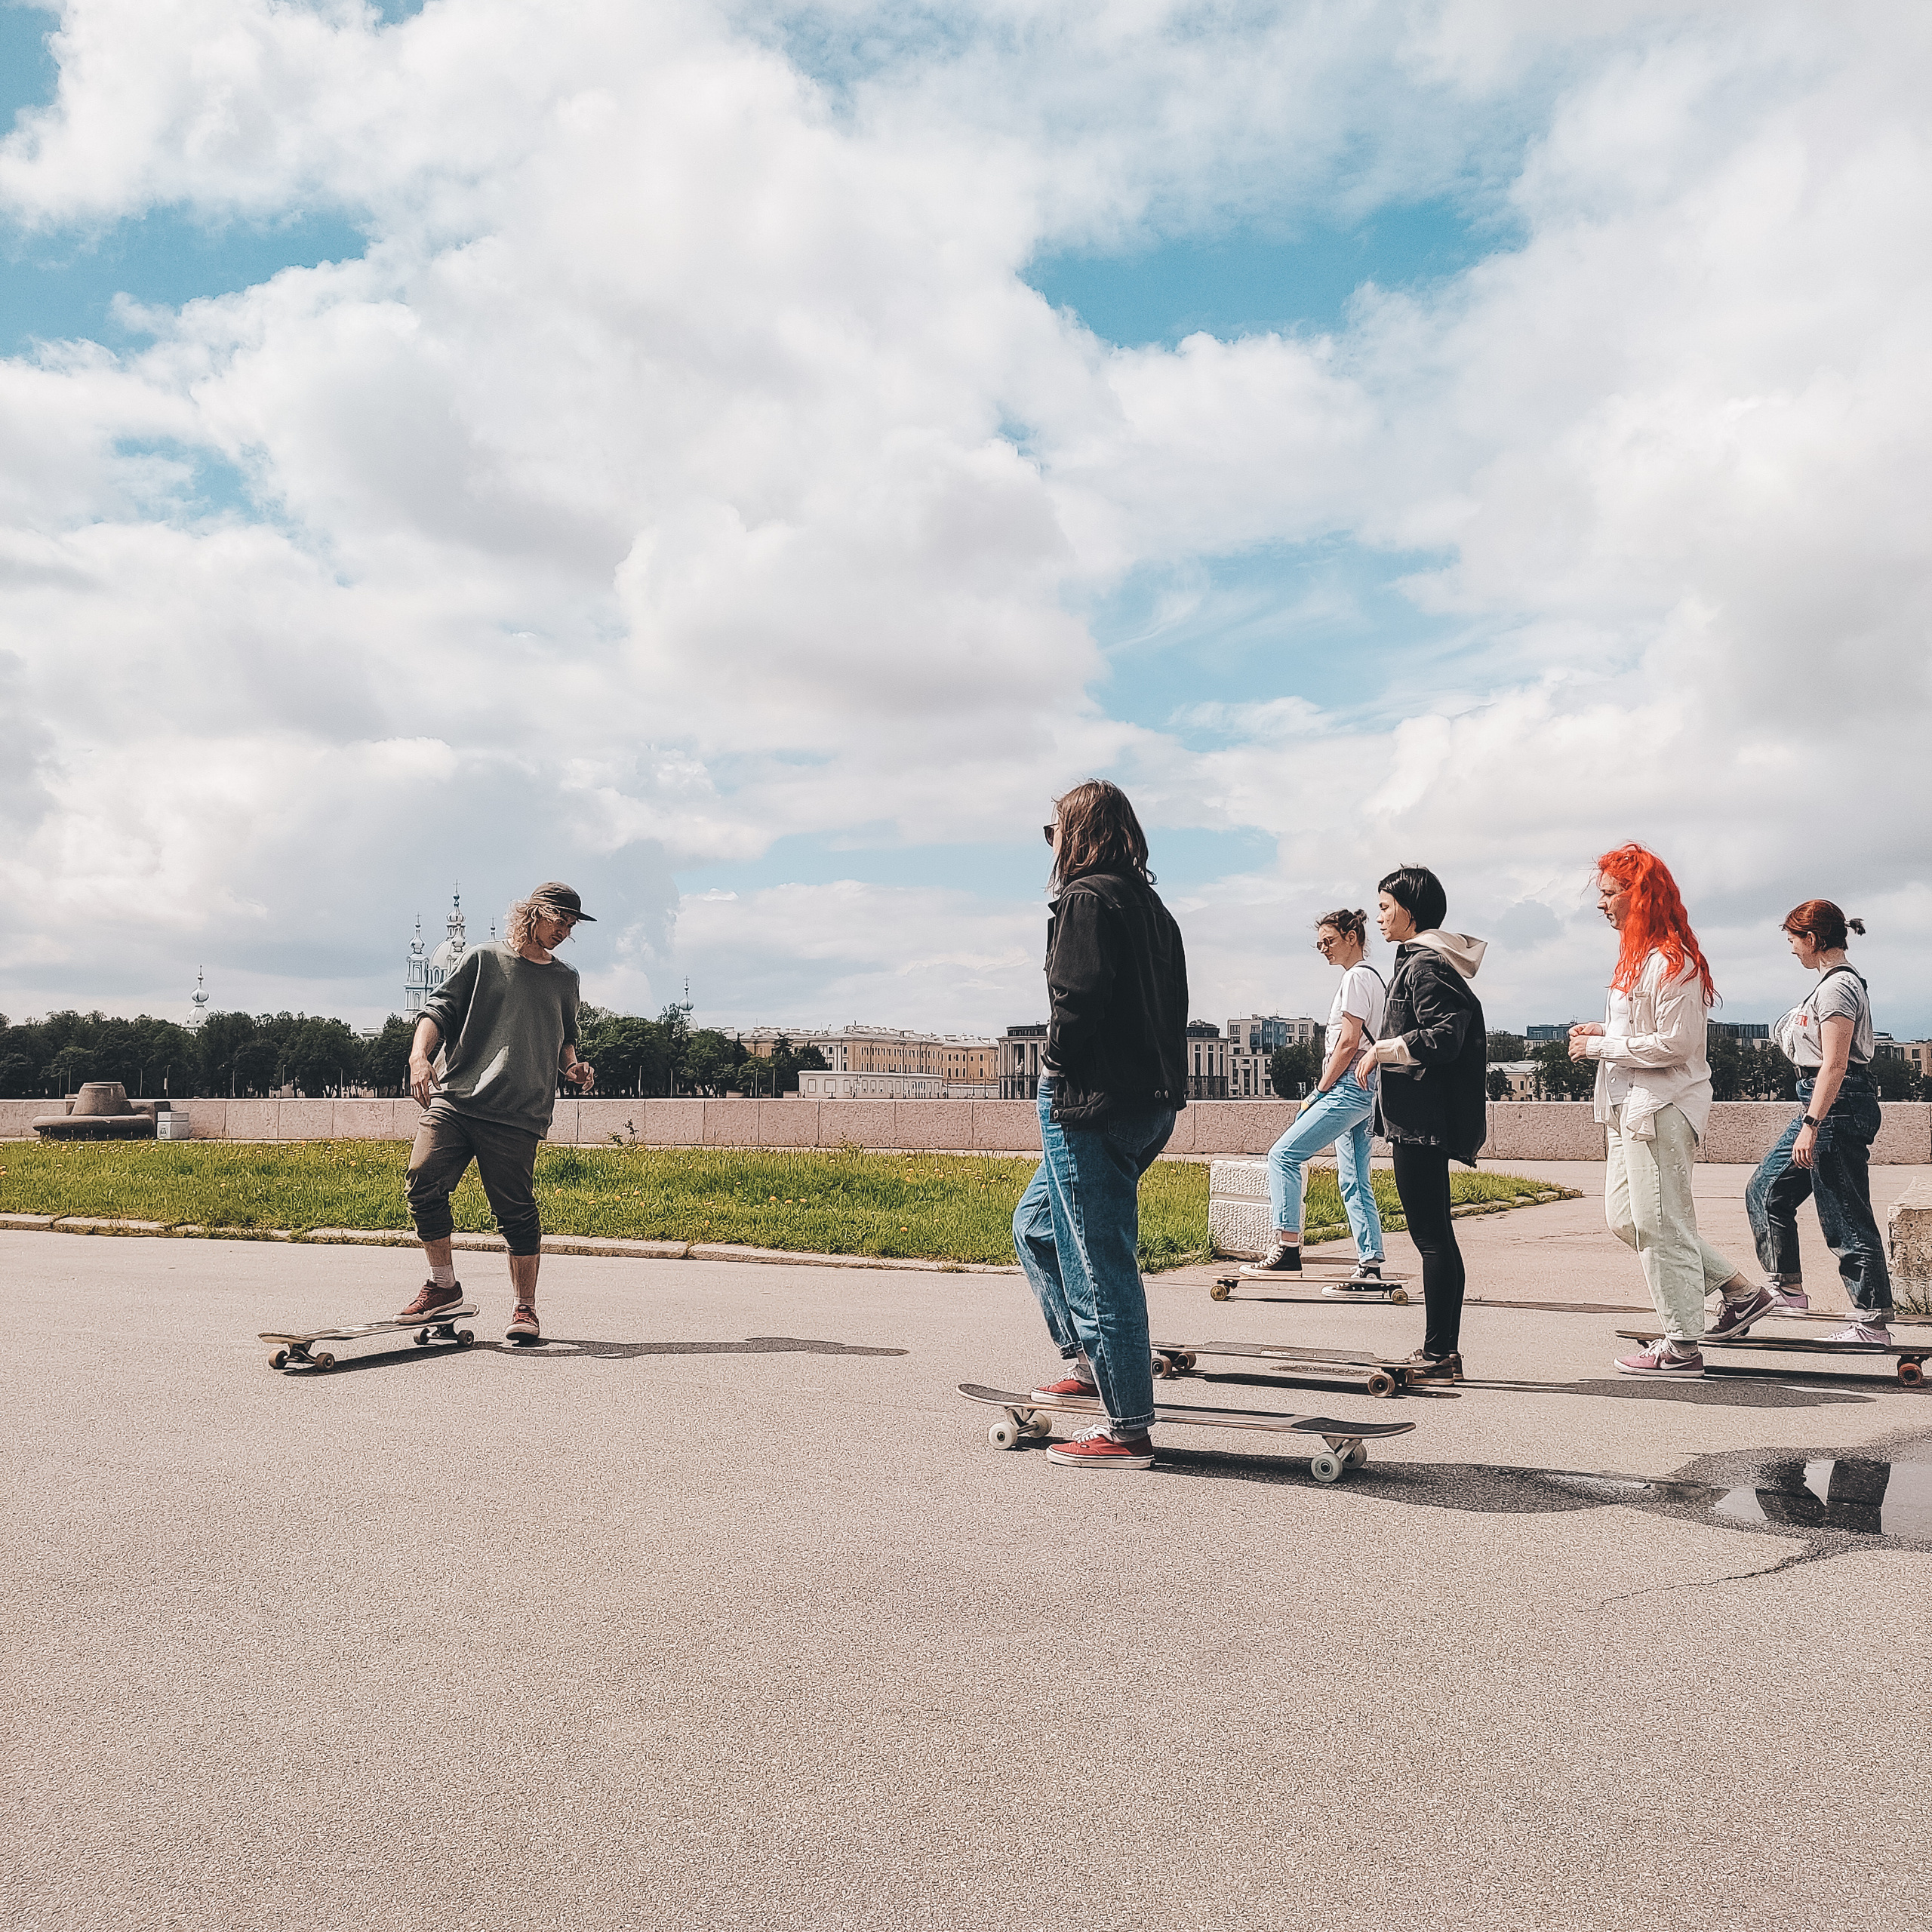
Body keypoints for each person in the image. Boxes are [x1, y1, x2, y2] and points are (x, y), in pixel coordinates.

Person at [1011, 780, 1189, 1470]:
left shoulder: (1086, 898)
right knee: (1036, 1227)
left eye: (1053, 828)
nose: (1049, 842)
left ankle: (1127, 1428)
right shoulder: (1153, 907)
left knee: (1101, 1263)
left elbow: (1075, 1000)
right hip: (1147, 1105)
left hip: (1091, 1105)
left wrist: (1055, 1065)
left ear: (1079, 831)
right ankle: (1091, 1364)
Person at [1567, 845, 1761, 1378]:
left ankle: (1681, 1346)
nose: (1601, 904)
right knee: (1630, 1219)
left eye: (1609, 893)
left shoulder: (1674, 963)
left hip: (1662, 1107)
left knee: (1661, 1225)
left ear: (1640, 895)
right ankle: (1737, 1291)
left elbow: (1676, 1046)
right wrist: (1602, 1031)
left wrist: (1601, 1049)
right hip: (1628, 1107)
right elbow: (1644, 1033)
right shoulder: (1640, 960)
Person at [397, 882, 598, 1343]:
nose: (566, 932)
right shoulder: (483, 959)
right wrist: (419, 1058)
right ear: (534, 914)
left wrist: (573, 1067)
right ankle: (442, 1285)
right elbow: (437, 1013)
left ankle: (525, 1309)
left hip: (518, 1111)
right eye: (560, 921)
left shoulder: (565, 979)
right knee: (423, 1180)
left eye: (572, 925)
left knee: (515, 1212)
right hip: (458, 1099)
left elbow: (566, 1038)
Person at [1743, 901, 1894, 1343]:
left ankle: (1871, 1320)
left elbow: (1835, 1064)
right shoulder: (1828, 986)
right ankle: (1787, 1288)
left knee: (1844, 1215)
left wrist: (1812, 1123)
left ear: (1813, 939)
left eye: (1793, 940)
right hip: (1822, 1102)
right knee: (1767, 1189)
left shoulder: (1837, 989)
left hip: (1834, 1106)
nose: (1791, 950)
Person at [1360, 866, 1487, 1382]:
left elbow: (1445, 1037)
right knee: (1433, 1236)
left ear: (1412, 909)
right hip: (1418, 1120)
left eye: (1386, 906)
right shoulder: (1421, 961)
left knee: (1432, 1237)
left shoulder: (1426, 966)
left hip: (1421, 1123)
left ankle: (1441, 1354)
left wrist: (1387, 1048)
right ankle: (1443, 1353)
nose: (1379, 915)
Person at [1242, 908, 1389, 1293]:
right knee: (1355, 1178)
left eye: (1329, 940)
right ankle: (1370, 1263)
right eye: (1319, 942)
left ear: (1351, 937)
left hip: (1347, 1088)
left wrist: (1319, 1091)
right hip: (1368, 1089)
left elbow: (1348, 1043)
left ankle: (1287, 1250)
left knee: (1283, 1155)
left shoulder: (1356, 978)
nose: (1322, 948)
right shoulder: (1374, 979)